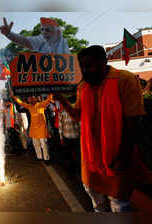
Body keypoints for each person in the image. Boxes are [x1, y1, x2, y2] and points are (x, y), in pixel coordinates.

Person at [53, 45, 146, 212]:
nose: (86, 70)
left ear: (104, 61)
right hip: (91, 159)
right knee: (97, 204)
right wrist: (63, 102)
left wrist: (123, 156)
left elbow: (134, 121)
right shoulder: (83, 87)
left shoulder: (124, 80)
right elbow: (79, 116)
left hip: (116, 158)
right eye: (83, 67)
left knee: (119, 204)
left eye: (90, 65)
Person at [10, 89, 52, 163]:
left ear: (35, 99)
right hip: (33, 129)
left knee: (44, 145)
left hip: (42, 129)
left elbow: (49, 99)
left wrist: (51, 90)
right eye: (29, 99)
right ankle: (39, 157)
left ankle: (46, 159)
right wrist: (14, 97)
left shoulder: (41, 104)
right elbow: (21, 103)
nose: (30, 100)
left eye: (32, 98)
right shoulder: (29, 106)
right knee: (36, 144)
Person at [0, 17, 69, 54]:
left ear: (58, 32)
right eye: (42, 30)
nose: (44, 32)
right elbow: (25, 41)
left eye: (47, 30)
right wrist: (9, 34)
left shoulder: (62, 42)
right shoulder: (42, 39)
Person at [58, 107, 80, 172]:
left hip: (75, 135)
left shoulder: (75, 111)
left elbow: (80, 123)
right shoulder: (61, 112)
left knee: (76, 153)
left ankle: (75, 166)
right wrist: (61, 137)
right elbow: (60, 125)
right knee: (70, 152)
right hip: (68, 136)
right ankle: (71, 167)